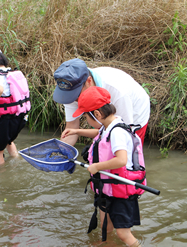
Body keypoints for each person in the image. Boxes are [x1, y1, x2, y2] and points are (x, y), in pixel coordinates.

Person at [62, 86, 145, 247]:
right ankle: (107, 243)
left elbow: (121, 160)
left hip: (121, 191)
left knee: (123, 233)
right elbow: (99, 133)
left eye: (86, 116)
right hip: (108, 188)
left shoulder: (117, 132)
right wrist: (75, 131)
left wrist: (97, 166)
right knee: (105, 225)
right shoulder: (109, 125)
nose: (86, 120)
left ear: (98, 114)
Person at [53, 58, 150, 146]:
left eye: (76, 95)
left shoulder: (118, 92)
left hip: (135, 111)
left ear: (89, 81)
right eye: (69, 96)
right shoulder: (70, 87)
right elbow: (72, 127)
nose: (74, 100)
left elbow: (124, 135)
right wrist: (62, 153)